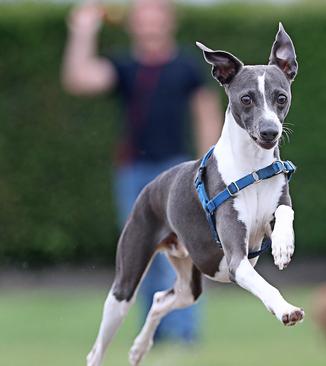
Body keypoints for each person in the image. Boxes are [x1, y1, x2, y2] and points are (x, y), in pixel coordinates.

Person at [61, 0, 222, 343]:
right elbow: (79, 78)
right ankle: (153, 334)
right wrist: (83, 31)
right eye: (143, 21)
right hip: (133, 172)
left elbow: (207, 112)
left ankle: (182, 335)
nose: (149, 27)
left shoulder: (185, 67)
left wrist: (206, 167)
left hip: (176, 171)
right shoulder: (125, 66)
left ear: (169, 23)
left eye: (155, 20)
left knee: (180, 254)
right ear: (133, 26)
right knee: (139, 254)